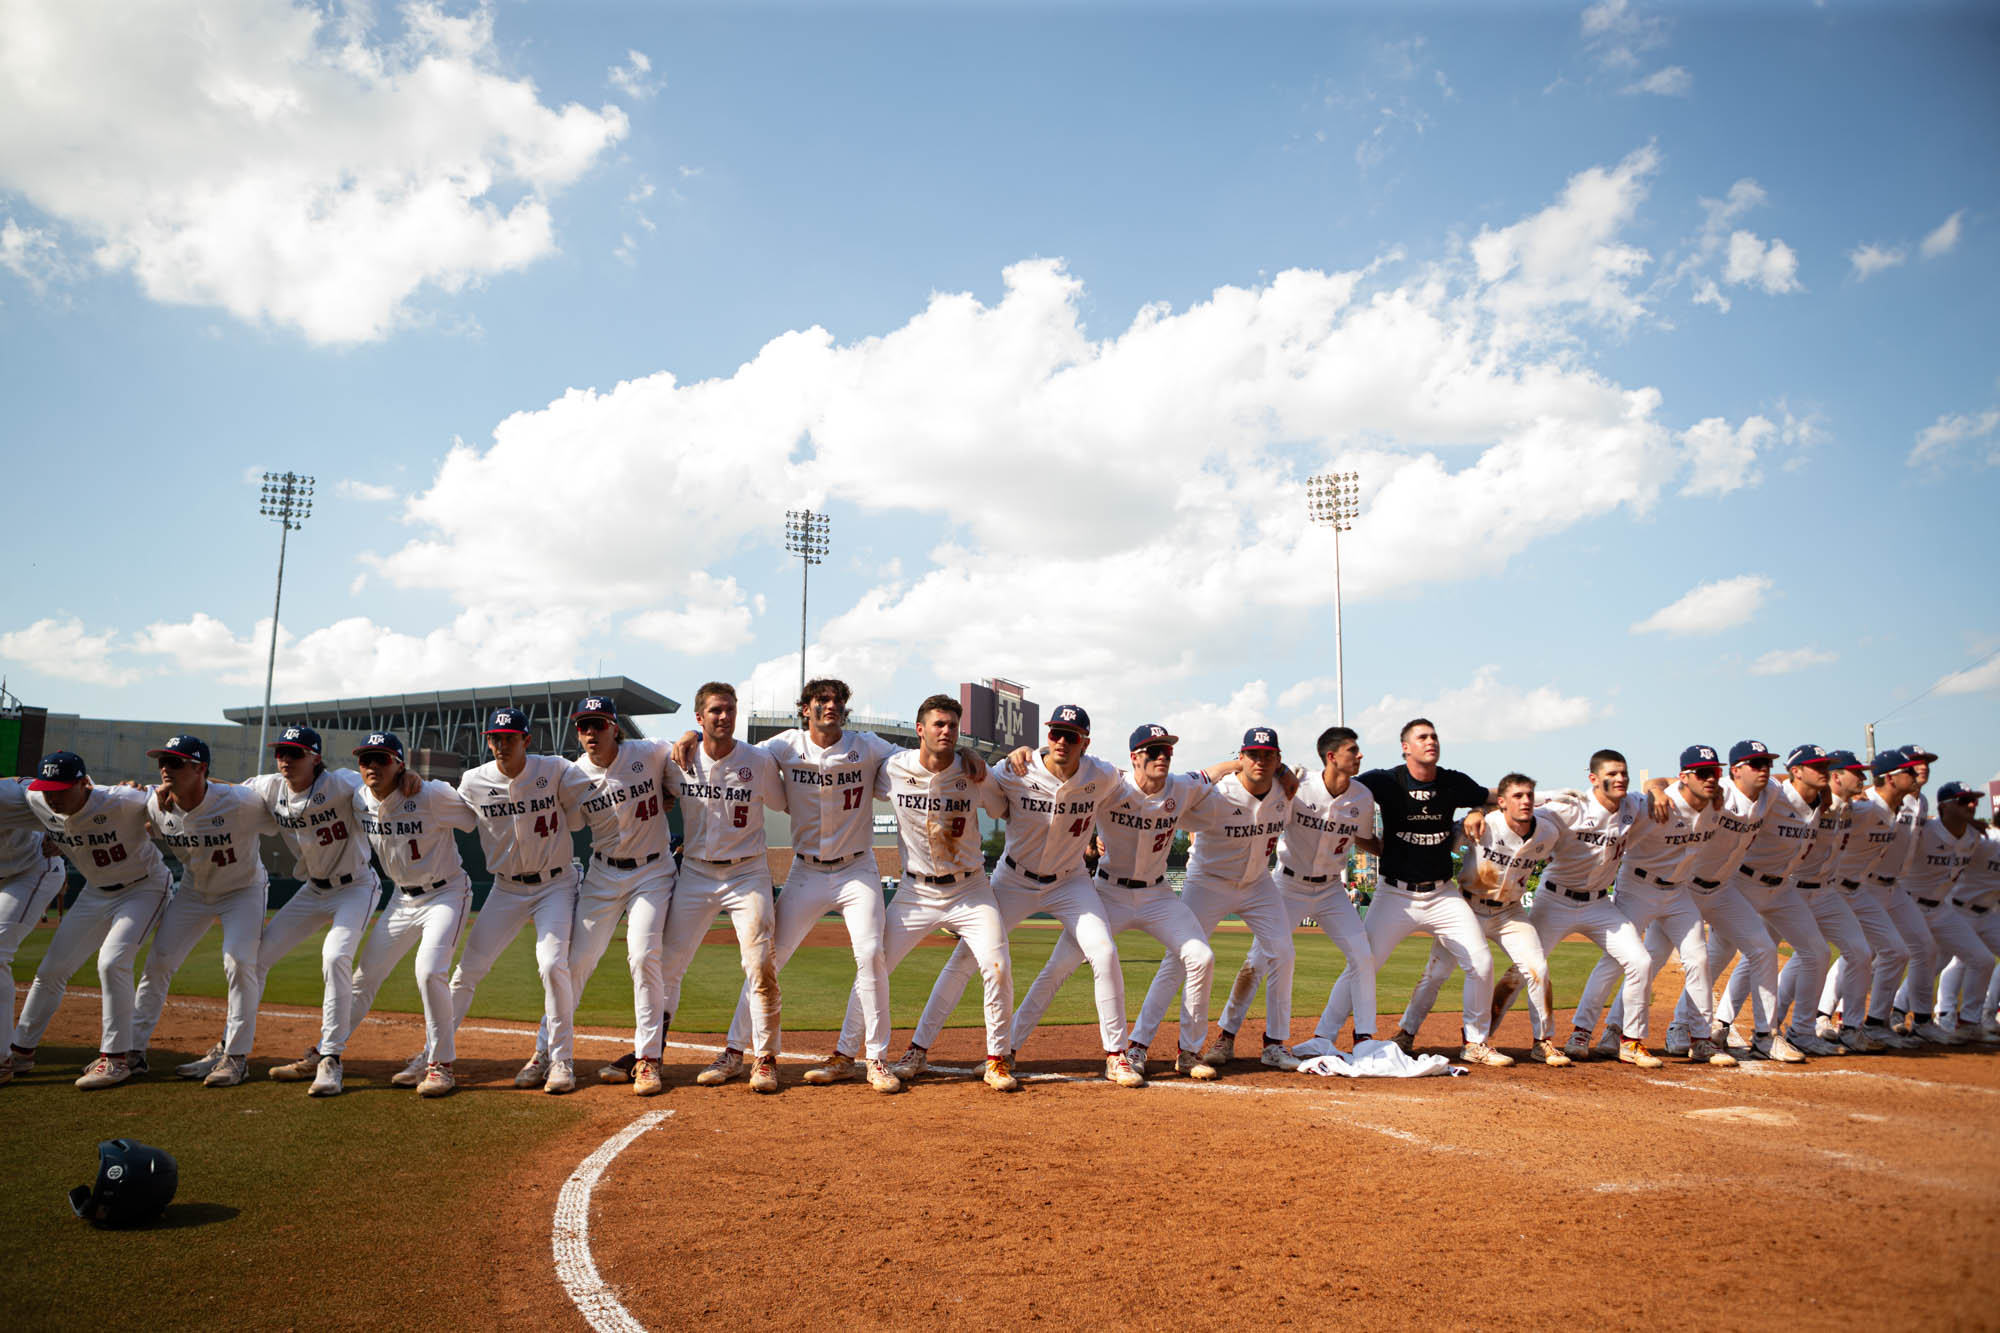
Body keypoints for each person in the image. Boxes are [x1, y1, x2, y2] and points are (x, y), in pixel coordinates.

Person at [673, 678, 985, 1094]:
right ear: (806, 708)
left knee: (872, 955)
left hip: (857, 870)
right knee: (767, 961)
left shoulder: (869, 746)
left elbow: (922, 756)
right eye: (821, 700)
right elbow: (732, 749)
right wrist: (694, 733)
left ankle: (875, 1058)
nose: (831, 706)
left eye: (838, 700)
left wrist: (962, 750)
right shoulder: (783, 746)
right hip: (806, 871)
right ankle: (734, 1052)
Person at [899, 705, 1144, 1087]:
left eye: (1072, 736)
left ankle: (1116, 1055)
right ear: (1047, 736)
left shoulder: (1103, 774)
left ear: (1086, 742)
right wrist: (976, 753)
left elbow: (1141, 791)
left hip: (1071, 882)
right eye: (1055, 733)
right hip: (1014, 879)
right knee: (966, 957)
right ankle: (917, 1049)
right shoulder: (1017, 769)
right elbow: (975, 774)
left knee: (1105, 952)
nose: (1062, 741)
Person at [1008, 723, 1223, 1080]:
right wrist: (1030, 752)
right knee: (1059, 967)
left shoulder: (1181, 786)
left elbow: (1212, 773)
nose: (1162, 757)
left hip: (1157, 895)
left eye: (1167, 751)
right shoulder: (1114, 783)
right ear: (1135, 757)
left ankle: (1188, 1052)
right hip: (1107, 893)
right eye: (1154, 751)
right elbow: (1077, 793)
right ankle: (1009, 1047)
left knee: (1201, 956)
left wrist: (1244, 765)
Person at [836, 693, 1018, 1092]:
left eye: (953, 725)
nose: (947, 731)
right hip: (915, 891)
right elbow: (857, 759)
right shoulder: (893, 768)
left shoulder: (972, 771)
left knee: (998, 965)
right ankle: (844, 1054)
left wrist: (981, 767)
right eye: (939, 724)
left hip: (970, 888)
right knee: (875, 964)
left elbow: (1002, 808)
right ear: (920, 729)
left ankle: (997, 1059)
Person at [1311, 718, 1512, 1067]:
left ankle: (1475, 1043)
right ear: (1406, 747)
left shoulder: (1452, 781)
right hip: (1395, 894)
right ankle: (1323, 1036)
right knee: (1364, 964)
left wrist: (1477, 810)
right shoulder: (1384, 780)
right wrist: (1375, 846)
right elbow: (1344, 791)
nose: (1430, 740)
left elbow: (1499, 799)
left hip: (1442, 894)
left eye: (1434, 735)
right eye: (1422, 737)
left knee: (1480, 961)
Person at [517, 696, 682, 1097]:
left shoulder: (650, 751)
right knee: (575, 963)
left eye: (598, 724)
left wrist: (691, 734)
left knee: (644, 957)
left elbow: (680, 752)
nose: (590, 732)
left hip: (653, 870)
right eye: (583, 726)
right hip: (602, 873)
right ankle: (545, 1052)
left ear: (614, 727)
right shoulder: (573, 775)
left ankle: (647, 1059)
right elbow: (570, 821)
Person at [427, 707, 593, 1094]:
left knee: (553, 965)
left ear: (526, 741)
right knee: (466, 972)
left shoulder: (555, 769)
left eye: (510, 738)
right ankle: (434, 1055)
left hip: (556, 883)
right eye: (495, 738)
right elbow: (449, 812)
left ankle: (560, 1060)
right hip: (506, 889)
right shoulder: (473, 781)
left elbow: (593, 786)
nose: (502, 745)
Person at [1124, 726, 1304, 1072]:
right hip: (1208, 882)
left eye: (1269, 755)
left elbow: (1312, 780)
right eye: (1253, 754)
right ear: (1241, 757)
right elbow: (1167, 807)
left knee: (1283, 952)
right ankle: (1138, 1044)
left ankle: (1274, 1044)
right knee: (1179, 960)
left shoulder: (1287, 788)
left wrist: (1284, 772)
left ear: (1278, 759)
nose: (1260, 761)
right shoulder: (1218, 794)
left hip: (1258, 884)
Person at [240, 726, 398, 1096]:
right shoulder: (269, 787)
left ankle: (330, 1058)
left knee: (335, 956)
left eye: (295, 753)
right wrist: (157, 791)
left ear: (315, 757)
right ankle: (232, 1047)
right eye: (281, 752)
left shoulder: (342, 783)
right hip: (312, 890)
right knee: (256, 957)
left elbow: (380, 785)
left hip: (355, 887)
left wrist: (408, 779)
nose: (285, 759)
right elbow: (222, 791)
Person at [5, 753, 173, 1090]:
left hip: (145, 886)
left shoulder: (122, 800)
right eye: (47, 788)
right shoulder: (39, 801)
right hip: (96, 891)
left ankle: (117, 1059)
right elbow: (27, 797)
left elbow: (170, 797)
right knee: (51, 970)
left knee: (112, 962)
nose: (53, 796)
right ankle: (21, 1050)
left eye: (62, 789)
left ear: (85, 783)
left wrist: (162, 790)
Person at [1478, 749, 1654, 1065]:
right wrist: (1481, 812)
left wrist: (1656, 791)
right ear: (1593, 779)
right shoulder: (1571, 808)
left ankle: (1630, 1042)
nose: (1620, 779)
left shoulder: (1634, 805)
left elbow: (1662, 789)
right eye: (1611, 774)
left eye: (1623, 773)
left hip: (1600, 904)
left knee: (1640, 961)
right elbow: (1516, 809)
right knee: (1525, 970)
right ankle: (1483, 1037)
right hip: (1555, 900)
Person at [129, 735, 281, 1089]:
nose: (166, 768)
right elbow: (124, 808)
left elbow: (276, 819)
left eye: (177, 762)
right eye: (162, 762)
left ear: (201, 768)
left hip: (242, 890)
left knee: (239, 962)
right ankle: (131, 1052)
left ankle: (236, 1057)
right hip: (194, 891)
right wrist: (133, 787)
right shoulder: (155, 804)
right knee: (159, 961)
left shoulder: (239, 802)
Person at [1219, 725, 1381, 1054]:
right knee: (1259, 960)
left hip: (1331, 889)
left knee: (1363, 956)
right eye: (1353, 750)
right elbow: (1258, 773)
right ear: (1332, 757)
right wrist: (1280, 769)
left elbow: (1365, 838)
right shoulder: (1298, 785)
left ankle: (1364, 1038)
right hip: (1287, 884)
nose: (1360, 755)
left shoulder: (1363, 797)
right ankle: (1226, 1037)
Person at [661, 683, 790, 1094]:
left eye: (730, 710)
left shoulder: (758, 760)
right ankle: (648, 1054)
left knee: (760, 966)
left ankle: (764, 1058)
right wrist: (689, 739)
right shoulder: (676, 758)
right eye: (715, 710)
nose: (724, 716)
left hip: (746, 872)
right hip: (695, 873)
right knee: (667, 967)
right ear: (699, 718)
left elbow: (782, 802)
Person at [1573, 745, 1735, 1068]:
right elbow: (1641, 791)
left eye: (1715, 773)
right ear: (1683, 777)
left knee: (1699, 958)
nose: (1711, 779)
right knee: (1617, 960)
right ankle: (1581, 1032)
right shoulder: (1658, 803)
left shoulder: (1718, 800)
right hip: (1638, 887)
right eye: (1702, 773)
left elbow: (1767, 783)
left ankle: (1701, 1039)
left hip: (1678, 892)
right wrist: (1655, 788)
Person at [344, 732, 480, 1098]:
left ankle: (440, 1064)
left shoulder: (430, 794)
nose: (372, 766)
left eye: (382, 759)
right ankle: (328, 1051)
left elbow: (472, 816)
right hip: (401, 900)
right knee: (364, 977)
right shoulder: (356, 797)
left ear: (399, 764)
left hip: (445, 893)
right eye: (366, 759)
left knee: (429, 971)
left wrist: (426, 781)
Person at [1399, 774, 1568, 1064]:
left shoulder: (1548, 833)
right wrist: (1475, 811)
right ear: (1501, 802)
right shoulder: (1483, 824)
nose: (1525, 801)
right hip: (1467, 908)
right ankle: (1406, 1033)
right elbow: (1440, 844)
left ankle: (1543, 1042)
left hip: (1510, 911)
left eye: (1529, 795)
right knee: (1436, 974)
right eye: (1517, 796)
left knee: (1537, 968)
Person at [1681, 742, 1833, 1060]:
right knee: (1718, 954)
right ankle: (1692, 1024)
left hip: (1781, 888)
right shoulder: (1744, 789)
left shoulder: (1779, 791)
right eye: (1756, 764)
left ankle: (1793, 1032)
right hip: (1739, 881)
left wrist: (1822, 793)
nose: (1763, 769)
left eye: (1766, 764)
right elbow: (1668, 785)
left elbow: (1776, 779)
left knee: (1813, 950)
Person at [1889, 781, 1988, 1044]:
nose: (1972, 804)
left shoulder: (1974, 837)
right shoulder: (1924, 831)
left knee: (1982, 959)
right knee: (1896, 956)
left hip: (1940, 908)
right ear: (1944, 806)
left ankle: (1968, 1022)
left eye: (1973, 799)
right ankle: (1892, 1015)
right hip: (1907, 902)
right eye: (1963, 800)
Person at [0, 777, 66, 1087]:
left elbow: (71, 785)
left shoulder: (10, 794)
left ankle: (2, 1060)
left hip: (32, 869)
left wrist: (60, 832)